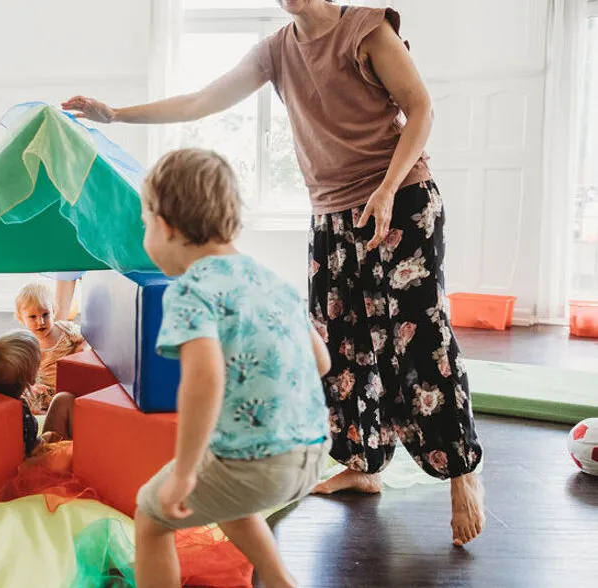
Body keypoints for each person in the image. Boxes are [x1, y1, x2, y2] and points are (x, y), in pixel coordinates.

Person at [63, 0, 485, 547]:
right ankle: (364, 463)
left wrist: (385, 189)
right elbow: (201, 100)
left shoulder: (367, 28)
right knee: (344, 342)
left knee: (417, 337)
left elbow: (421, 108)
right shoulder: (277, 50)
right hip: (333, 212)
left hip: (399, 199)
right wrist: (116, 115)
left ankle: (461, 471)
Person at [133, 148, 331, 588]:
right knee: (224, 485)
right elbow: (322, 361)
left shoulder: (190, 290)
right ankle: (281, 581)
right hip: (313, 453)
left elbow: (203, 378)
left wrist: (183, 474)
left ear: (165, 226)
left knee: (150, 516)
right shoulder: (269, 278)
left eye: (146, 225)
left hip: (257, 464)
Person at [0, 330, 75, 455]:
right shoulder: (18, 413)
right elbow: (29, 453)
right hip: (33, 463)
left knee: (62, 399)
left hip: (31, 449)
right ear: (30, 378)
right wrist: (44, 442)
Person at [14, 283, 89, 421]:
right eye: (32, 317)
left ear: (54, 311)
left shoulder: (65, 329)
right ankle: (43, 417)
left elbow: (87, 337)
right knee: (21, 398)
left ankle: (59, 414)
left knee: (79, 397)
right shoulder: (27, 343)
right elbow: (23, 372)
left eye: (45, 314)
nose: (41, 322)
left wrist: (79, 350)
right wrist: (32, 386)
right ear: (21, 318)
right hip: (45, 390)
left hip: (70, 385)